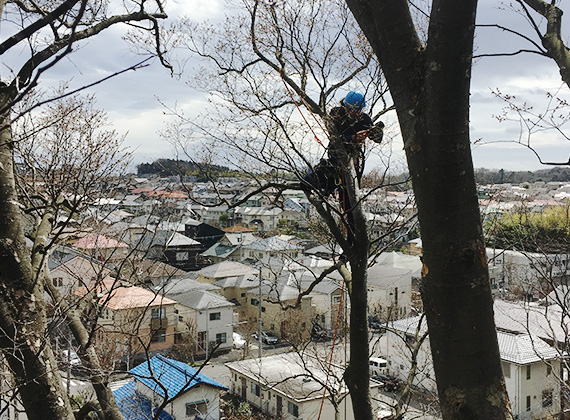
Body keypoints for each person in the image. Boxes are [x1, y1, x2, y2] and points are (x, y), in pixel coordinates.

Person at [302, 91, 384, 246]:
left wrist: (375, 132)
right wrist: (353, 137)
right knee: (306, 182)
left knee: (350, 209)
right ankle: (325, 190)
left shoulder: (364, 119)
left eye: (359, 111)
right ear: (346, 107)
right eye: (354, 110)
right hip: (333, 162)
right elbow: (335, 137)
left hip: (351, 166)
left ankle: (351, 243)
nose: (357, 114)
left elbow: (378, 139)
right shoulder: (337, 115)